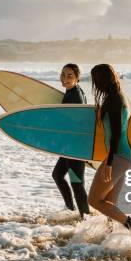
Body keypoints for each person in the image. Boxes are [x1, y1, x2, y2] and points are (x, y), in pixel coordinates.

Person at [88, 64, 131, 230]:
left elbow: (116, 134)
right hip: (124, 156)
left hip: (118, 157)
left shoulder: (115, 100)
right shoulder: (121, 97)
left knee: (94, 200)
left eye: (95, 80)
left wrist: (108, 164)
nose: (94, 84)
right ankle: (112, 239)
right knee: (109, 204)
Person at [52, 63, 90, 219]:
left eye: (69, 76)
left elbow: (78, 122)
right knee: (58, 175)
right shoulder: (72, 92)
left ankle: (86, 218)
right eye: (63, 75)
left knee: (76, 183)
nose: (65, 78)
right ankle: (70, 209)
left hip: (75, 148)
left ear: (77, 78)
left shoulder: (76, 96)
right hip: (69, 147)